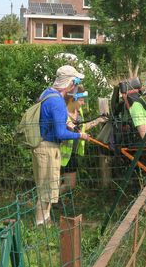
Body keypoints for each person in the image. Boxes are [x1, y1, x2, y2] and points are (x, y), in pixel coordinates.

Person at [33, 65, 90, 226]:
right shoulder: (57, 101)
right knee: (46, 189)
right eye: (77, 82)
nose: (77, 86)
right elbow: (60, 134)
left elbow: (53, 120)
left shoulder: (47, 93)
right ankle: (40, 224)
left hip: (42, 144)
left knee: (48, 187)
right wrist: (80, 135)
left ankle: (46, 220)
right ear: (71, 83)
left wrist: (68, 124)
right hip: (48, 147)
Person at [60, 84, 107, 193]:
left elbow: (82, 128)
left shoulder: (78, 112)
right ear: (72, 99)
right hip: (59, 154)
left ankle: (54, 199)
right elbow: (72, 132)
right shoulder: (62, 113)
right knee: (54, 184)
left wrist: (97, 121)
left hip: (71, 154)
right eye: (81, 100)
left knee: (70, 185)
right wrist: (80, 135)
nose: (83, 103)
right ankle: (51, 202)